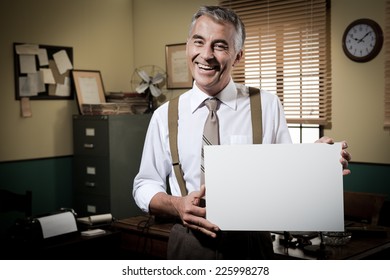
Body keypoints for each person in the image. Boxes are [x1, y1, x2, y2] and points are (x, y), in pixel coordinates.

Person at [133, 5, 351, 259]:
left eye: (220, 46)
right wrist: (176, 205)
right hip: (187, 244)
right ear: (188, 46)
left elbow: (285, 183)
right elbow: (144, 184)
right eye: (199, 42)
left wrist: (316, 166)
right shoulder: (164, 116)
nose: (206, 55)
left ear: (238, 56)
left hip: (251, 246)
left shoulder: (267, 106)